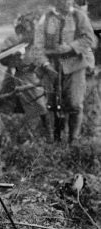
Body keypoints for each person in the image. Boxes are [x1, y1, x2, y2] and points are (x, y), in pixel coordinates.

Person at [34, 0, 96, 143]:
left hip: (74, 66)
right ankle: (54, 140)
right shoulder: (46, 18)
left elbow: (88, 39)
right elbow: (38, 45)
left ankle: (73, 140)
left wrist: (71, 47)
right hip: (51, 66)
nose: (67, 2)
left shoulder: (79, 16)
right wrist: (45, 64)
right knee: (51, 104)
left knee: (74, 103)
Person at [0, 12, 53, 141]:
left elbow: (40, 58)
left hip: (29, 77)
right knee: (1, 102)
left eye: (28, 29)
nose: (25, 33)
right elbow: (2, 58)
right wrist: (14, 54)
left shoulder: (37, 42)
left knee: (40, 106)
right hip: (12, 76)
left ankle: (49, 135)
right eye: (22, 30)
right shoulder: (12, 40)